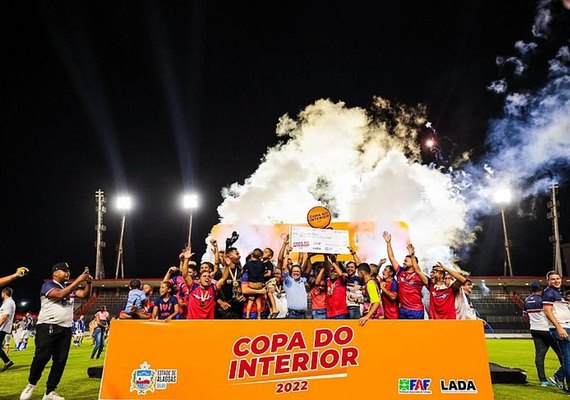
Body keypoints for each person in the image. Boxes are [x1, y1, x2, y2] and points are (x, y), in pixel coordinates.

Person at [20, 262, 92, 400]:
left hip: (65, 328)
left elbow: (84, 295)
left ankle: (50, 391)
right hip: (48, 326)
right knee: (42, 357)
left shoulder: (67, 287)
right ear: (55, 273)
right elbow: (59, 295)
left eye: (68, 271)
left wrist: (88, 283)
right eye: (64, 271)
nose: (68, 273)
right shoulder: (48, 285)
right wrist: (78, 280)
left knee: (60, 361)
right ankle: (31, 384)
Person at [523, 281, 564, 387]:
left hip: (535, 329)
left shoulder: (527, 300)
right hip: (547, 329)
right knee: (562, 354)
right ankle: (560, 376)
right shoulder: (543, 299)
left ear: (531, 289)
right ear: (541, 289)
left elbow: (525, 317)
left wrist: (530, 325)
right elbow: (549, 313)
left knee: (540, 355)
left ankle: (543, 380)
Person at [383, 232, 426, 319]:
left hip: (416, 310)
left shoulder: (419, 275)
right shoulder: (400, 272)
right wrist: (388, 243)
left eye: (406, 261)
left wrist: (412, 255)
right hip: (403, 310)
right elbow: (391, 258)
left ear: (413, 263)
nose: (403, 262)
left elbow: (417, 268)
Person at [541, 271, 569, 393]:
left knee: (568, 357)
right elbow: (547, 311)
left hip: (566, 326)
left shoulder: (557, 293)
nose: (556, 281)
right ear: (548, 281)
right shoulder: (548, 292)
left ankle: (558, 376)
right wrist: (559, 327)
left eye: (558, 278)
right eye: (553, 279)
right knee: (567, 357)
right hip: (562, 328)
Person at [242, 248, 268, 319]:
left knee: (250, 301)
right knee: (258, 302)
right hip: (259, 285)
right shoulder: (262, 264)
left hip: (251, 284)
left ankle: (247, 316)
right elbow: (264, 271)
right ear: (260, 257)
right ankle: (259, 317)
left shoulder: (248, 264)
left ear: (252, 255)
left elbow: (243, 270)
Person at [0, 287, 16, 372]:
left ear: (4, 293)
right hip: (3, 327)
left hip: (2, 328)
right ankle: (7, 361)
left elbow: (4, 316)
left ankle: (7, 361)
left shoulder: (9, 303)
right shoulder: (7, 302)